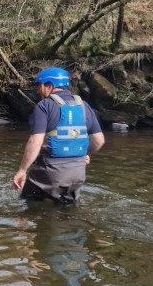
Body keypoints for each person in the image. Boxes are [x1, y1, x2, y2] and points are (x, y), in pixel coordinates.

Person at [12, 66, 104, 204]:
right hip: (78, 174)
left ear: (49, 86)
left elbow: (35, 142)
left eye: (40, 86)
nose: (38, 90)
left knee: (27, 204)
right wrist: (84, 154)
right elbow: (99, 141)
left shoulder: (44, 106)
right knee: (67, 210)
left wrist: (22, 170)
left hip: (50, 174)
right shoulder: (84, 106)